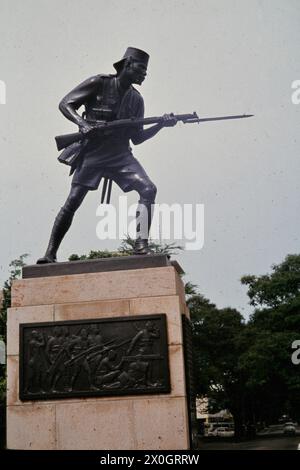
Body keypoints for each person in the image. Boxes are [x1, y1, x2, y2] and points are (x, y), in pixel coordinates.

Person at [37, 47, 177, 263]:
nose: (144, 75)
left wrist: (160, 125)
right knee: (73, 201)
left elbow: (137, 138)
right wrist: (82, 124)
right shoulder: (99, 82)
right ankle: (50, 253)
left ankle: (141, 246)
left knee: (148, 189)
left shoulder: (136, 100)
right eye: (141, 69)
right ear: (128, 64)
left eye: (146, 72)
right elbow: (65, 103)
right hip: (93, 152)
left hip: (120, 154)